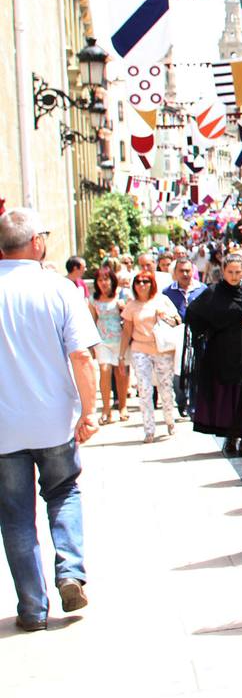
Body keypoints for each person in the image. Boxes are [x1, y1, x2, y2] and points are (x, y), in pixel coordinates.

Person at [0, 208, 100, 631]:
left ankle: (32, 608)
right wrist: (90, 410)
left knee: (15, 515)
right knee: (63, 492)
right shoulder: (58, 289)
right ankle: (70, 572)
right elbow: (82, 355)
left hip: (5, 427)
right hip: (55, 420)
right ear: (36, 242)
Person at [186, 252, 242, 456]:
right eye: (230, 272)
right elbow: (194, 313)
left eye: (238, 272)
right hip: (224, 352)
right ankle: (231, 439)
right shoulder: (213, 293)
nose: (235, 276)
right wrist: (208, 331)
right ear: (223, 271)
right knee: (230, 397)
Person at [120, 271, 182, 444]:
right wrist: (121, 356)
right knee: (144, 389)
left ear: (152, 283)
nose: (142, 285)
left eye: (146, 281)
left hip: (162, 350)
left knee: (165, 388)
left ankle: (170, 420)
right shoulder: (131, 306)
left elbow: (178, 321)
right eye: (138, 282)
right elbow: (126, 332)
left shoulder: (162, 300)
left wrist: (166, 316)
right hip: (140, 349)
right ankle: (149, 430)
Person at [163, 258, 207, 418]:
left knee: (197, 372)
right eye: (181, 271)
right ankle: (181, 400)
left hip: (197, 336)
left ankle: (194, 405)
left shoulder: (202, 289)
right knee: (178, 374)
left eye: (188, 270)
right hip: (176, 337)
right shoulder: (167, 292)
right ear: (175, 273)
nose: (185, 274)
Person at [89, 263, 129, 425]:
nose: (103, 283)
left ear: (112, 280)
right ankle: (106, 409)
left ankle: (123, 406)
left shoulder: (121, 296)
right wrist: (90, 344)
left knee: (121, 373)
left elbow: (128, 318)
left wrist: (123, 307)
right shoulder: (94, 299)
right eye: (100, 280)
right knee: (104, 370)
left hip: (120, 340)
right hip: (102, 340)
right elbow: (92, 320)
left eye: (106, 279)